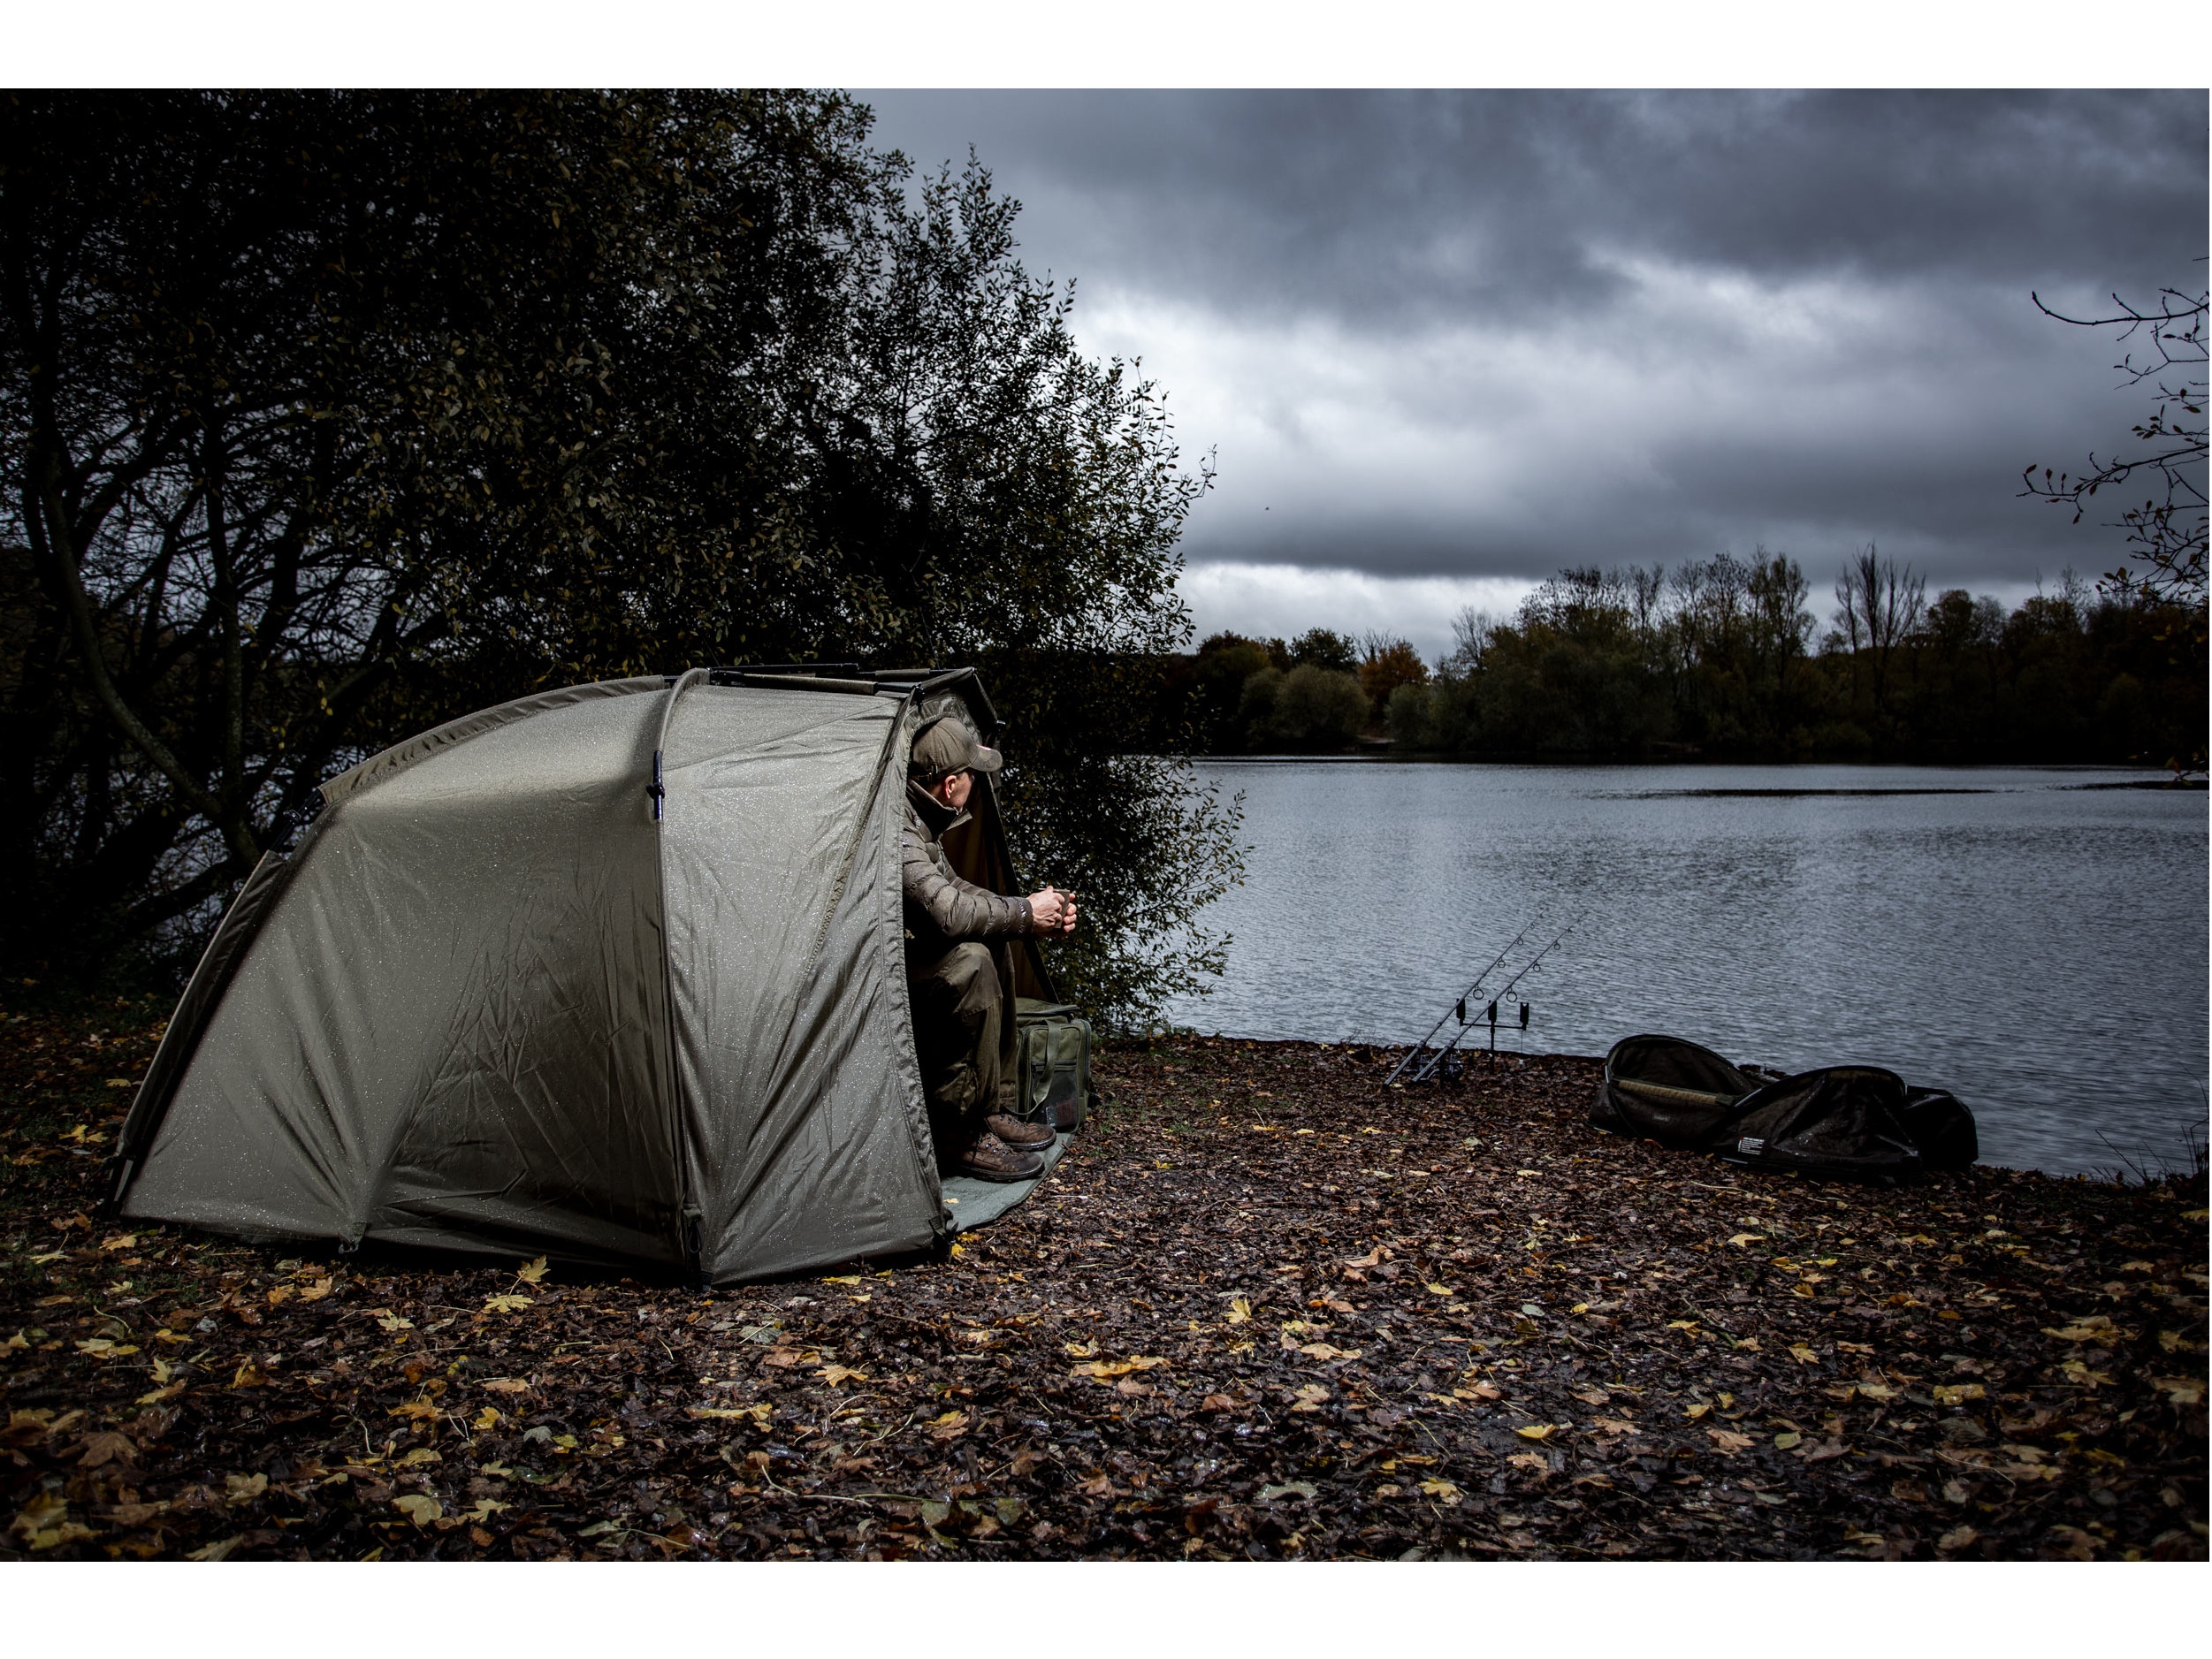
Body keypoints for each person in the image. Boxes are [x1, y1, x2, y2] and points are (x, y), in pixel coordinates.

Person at [901, 712, 1078, 1182]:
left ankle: (990, 1107)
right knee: (972, 960)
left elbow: (957, 889)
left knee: (992, 941)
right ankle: (958, 1132)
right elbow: (946, 911)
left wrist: (1031, 912)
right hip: (874, 980)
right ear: (952, 784)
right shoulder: (898, 830)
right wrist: (1024, 913)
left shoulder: (921, 822)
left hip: (899, 962)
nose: (976, 786)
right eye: (974, 777)